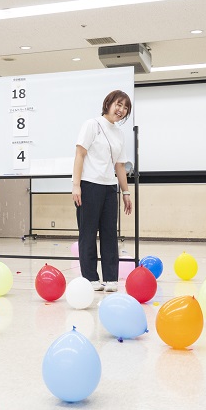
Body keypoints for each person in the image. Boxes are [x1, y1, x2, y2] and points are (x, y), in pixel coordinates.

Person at [72, 90, 133, 293]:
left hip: (109, 188)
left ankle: (110, 278)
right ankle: (90, 277)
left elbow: (120, 166)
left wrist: (125, 193)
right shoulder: (92, 125)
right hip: (89, 185)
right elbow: (80, 155)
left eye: (125, 107)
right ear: (108, 103)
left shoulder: (119, 134)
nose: (121, 110)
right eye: (118, 104)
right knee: (88, 233)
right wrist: (76, 185)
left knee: (109, 233)